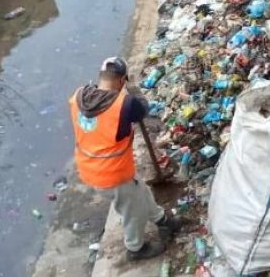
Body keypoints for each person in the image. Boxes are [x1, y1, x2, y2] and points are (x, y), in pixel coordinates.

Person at [68, 57, 183, 261]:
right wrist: (133, 90)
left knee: (141, 190)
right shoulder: (124, 105)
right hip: (113, 175)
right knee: (133, 210)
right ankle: (135, 248)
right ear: (122, 80)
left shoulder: (79, 96)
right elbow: (143, 109)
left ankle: (162, 220)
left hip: (88, 168)